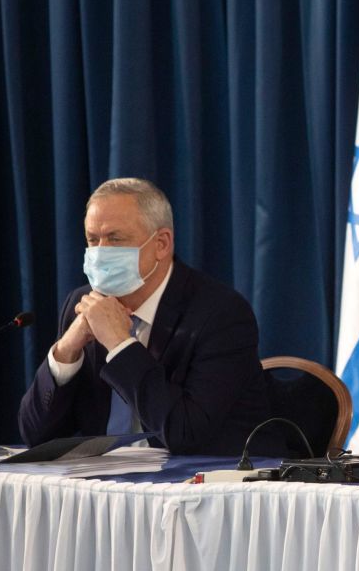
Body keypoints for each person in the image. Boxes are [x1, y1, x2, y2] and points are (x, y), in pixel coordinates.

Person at [19, 178, 281, 456]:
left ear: (161, 244)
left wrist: (120, 345)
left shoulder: (220, 313)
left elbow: (186, 433)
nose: (100, 253)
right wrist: (66, 351)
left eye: (115, 239)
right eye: (93, 240)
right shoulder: (82, 304)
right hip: (109, 484)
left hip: (202, 483)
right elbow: (36, 436)